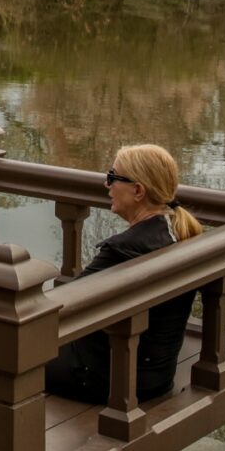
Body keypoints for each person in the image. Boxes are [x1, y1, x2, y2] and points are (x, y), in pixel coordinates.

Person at [43, 144, 206, 404]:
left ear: (138, 191)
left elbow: (65, 306)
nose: (107, 185)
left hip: (110, 379)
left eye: (113, 177)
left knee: (7, 350)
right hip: (157, 375)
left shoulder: (123, 250)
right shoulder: (177, 232)